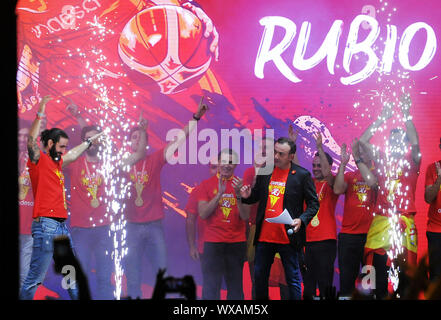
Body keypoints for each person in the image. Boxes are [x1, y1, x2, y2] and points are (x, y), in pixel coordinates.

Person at [124, 97, 209, 299]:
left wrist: (195, 118)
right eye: (134, 137)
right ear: (129, 142)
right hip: (131, 225)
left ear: (146, 140)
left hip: (154, 224)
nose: (137, 140)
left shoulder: (155, 158)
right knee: (132, 271)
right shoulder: (122, 162)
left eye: (140, 136)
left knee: (161, 270)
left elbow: (180, 139)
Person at [19, 95, 103, 300]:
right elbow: (31, 140)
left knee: (70, 272)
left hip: (58, 224)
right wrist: (40, 112)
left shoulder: (56, 163)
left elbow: (74, 155)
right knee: (30, 276)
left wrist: (90, 141)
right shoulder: (35, 162)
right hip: (43, 224)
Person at [357, 92, 421, 299]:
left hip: (404, 221)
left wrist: (406, 113)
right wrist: (382, 119)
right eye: (391, 141)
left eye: (399, 141)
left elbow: (416, 143)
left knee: (405, 272)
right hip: (381, 220)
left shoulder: (412, 163)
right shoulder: (382, 162)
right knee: (375, 268)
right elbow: (362, 142)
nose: (395, 144)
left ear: (404, 145)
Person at [240, 137, 319, 300]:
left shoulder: (302, 175)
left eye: (281, 154)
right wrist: (247, 196)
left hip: (288, 237)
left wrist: (302, 220)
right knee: (260, 278)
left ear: (291, 156)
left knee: (292, 280)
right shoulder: (266, 171)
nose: (276, 156)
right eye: (275, 152)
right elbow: (255, 196)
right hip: (264, 237)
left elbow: (313, 204)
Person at [197, 149, 249, 300]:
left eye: (231, 162)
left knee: (235, 289)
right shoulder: (206, 185)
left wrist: (239, 195)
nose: (227, 165)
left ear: (236, 165)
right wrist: (219, 194)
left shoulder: (242, 185)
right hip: (213, 243)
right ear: (218, 164)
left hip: (236, 243)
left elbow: (245, 216)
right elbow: (203, 213)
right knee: (211, 288)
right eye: (224, 161)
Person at [333, 141, 375, 298]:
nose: (360, 156)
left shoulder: (377, 174)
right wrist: (343, 164)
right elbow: (337, 189)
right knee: (347, 283)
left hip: (371, 238)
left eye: (363, 152)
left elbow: (372, 181)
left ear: (370, 154)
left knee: (368, 285)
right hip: (348, 236)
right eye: (358, 153)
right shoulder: (350, 176)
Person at [302, 132, 339, 299]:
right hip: (307, 242)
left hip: (326, 241)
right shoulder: (308, 183)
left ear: (328, 167)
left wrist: (319, 148)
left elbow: (328, 175)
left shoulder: (333, 183)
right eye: (314, 165)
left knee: (325, 287)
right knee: (308, 288)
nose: (316, 169)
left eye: (320, 165)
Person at [18, 117, 46, 291]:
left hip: (30, 227)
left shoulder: (38, 161)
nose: (22, 139)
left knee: (24, 274)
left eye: (25, 136)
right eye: (19, 136)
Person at [424, 137, 441, 282]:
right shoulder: (433, 168)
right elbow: (428, 198)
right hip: (436, 231)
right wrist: (439, 180)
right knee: (436, 275)